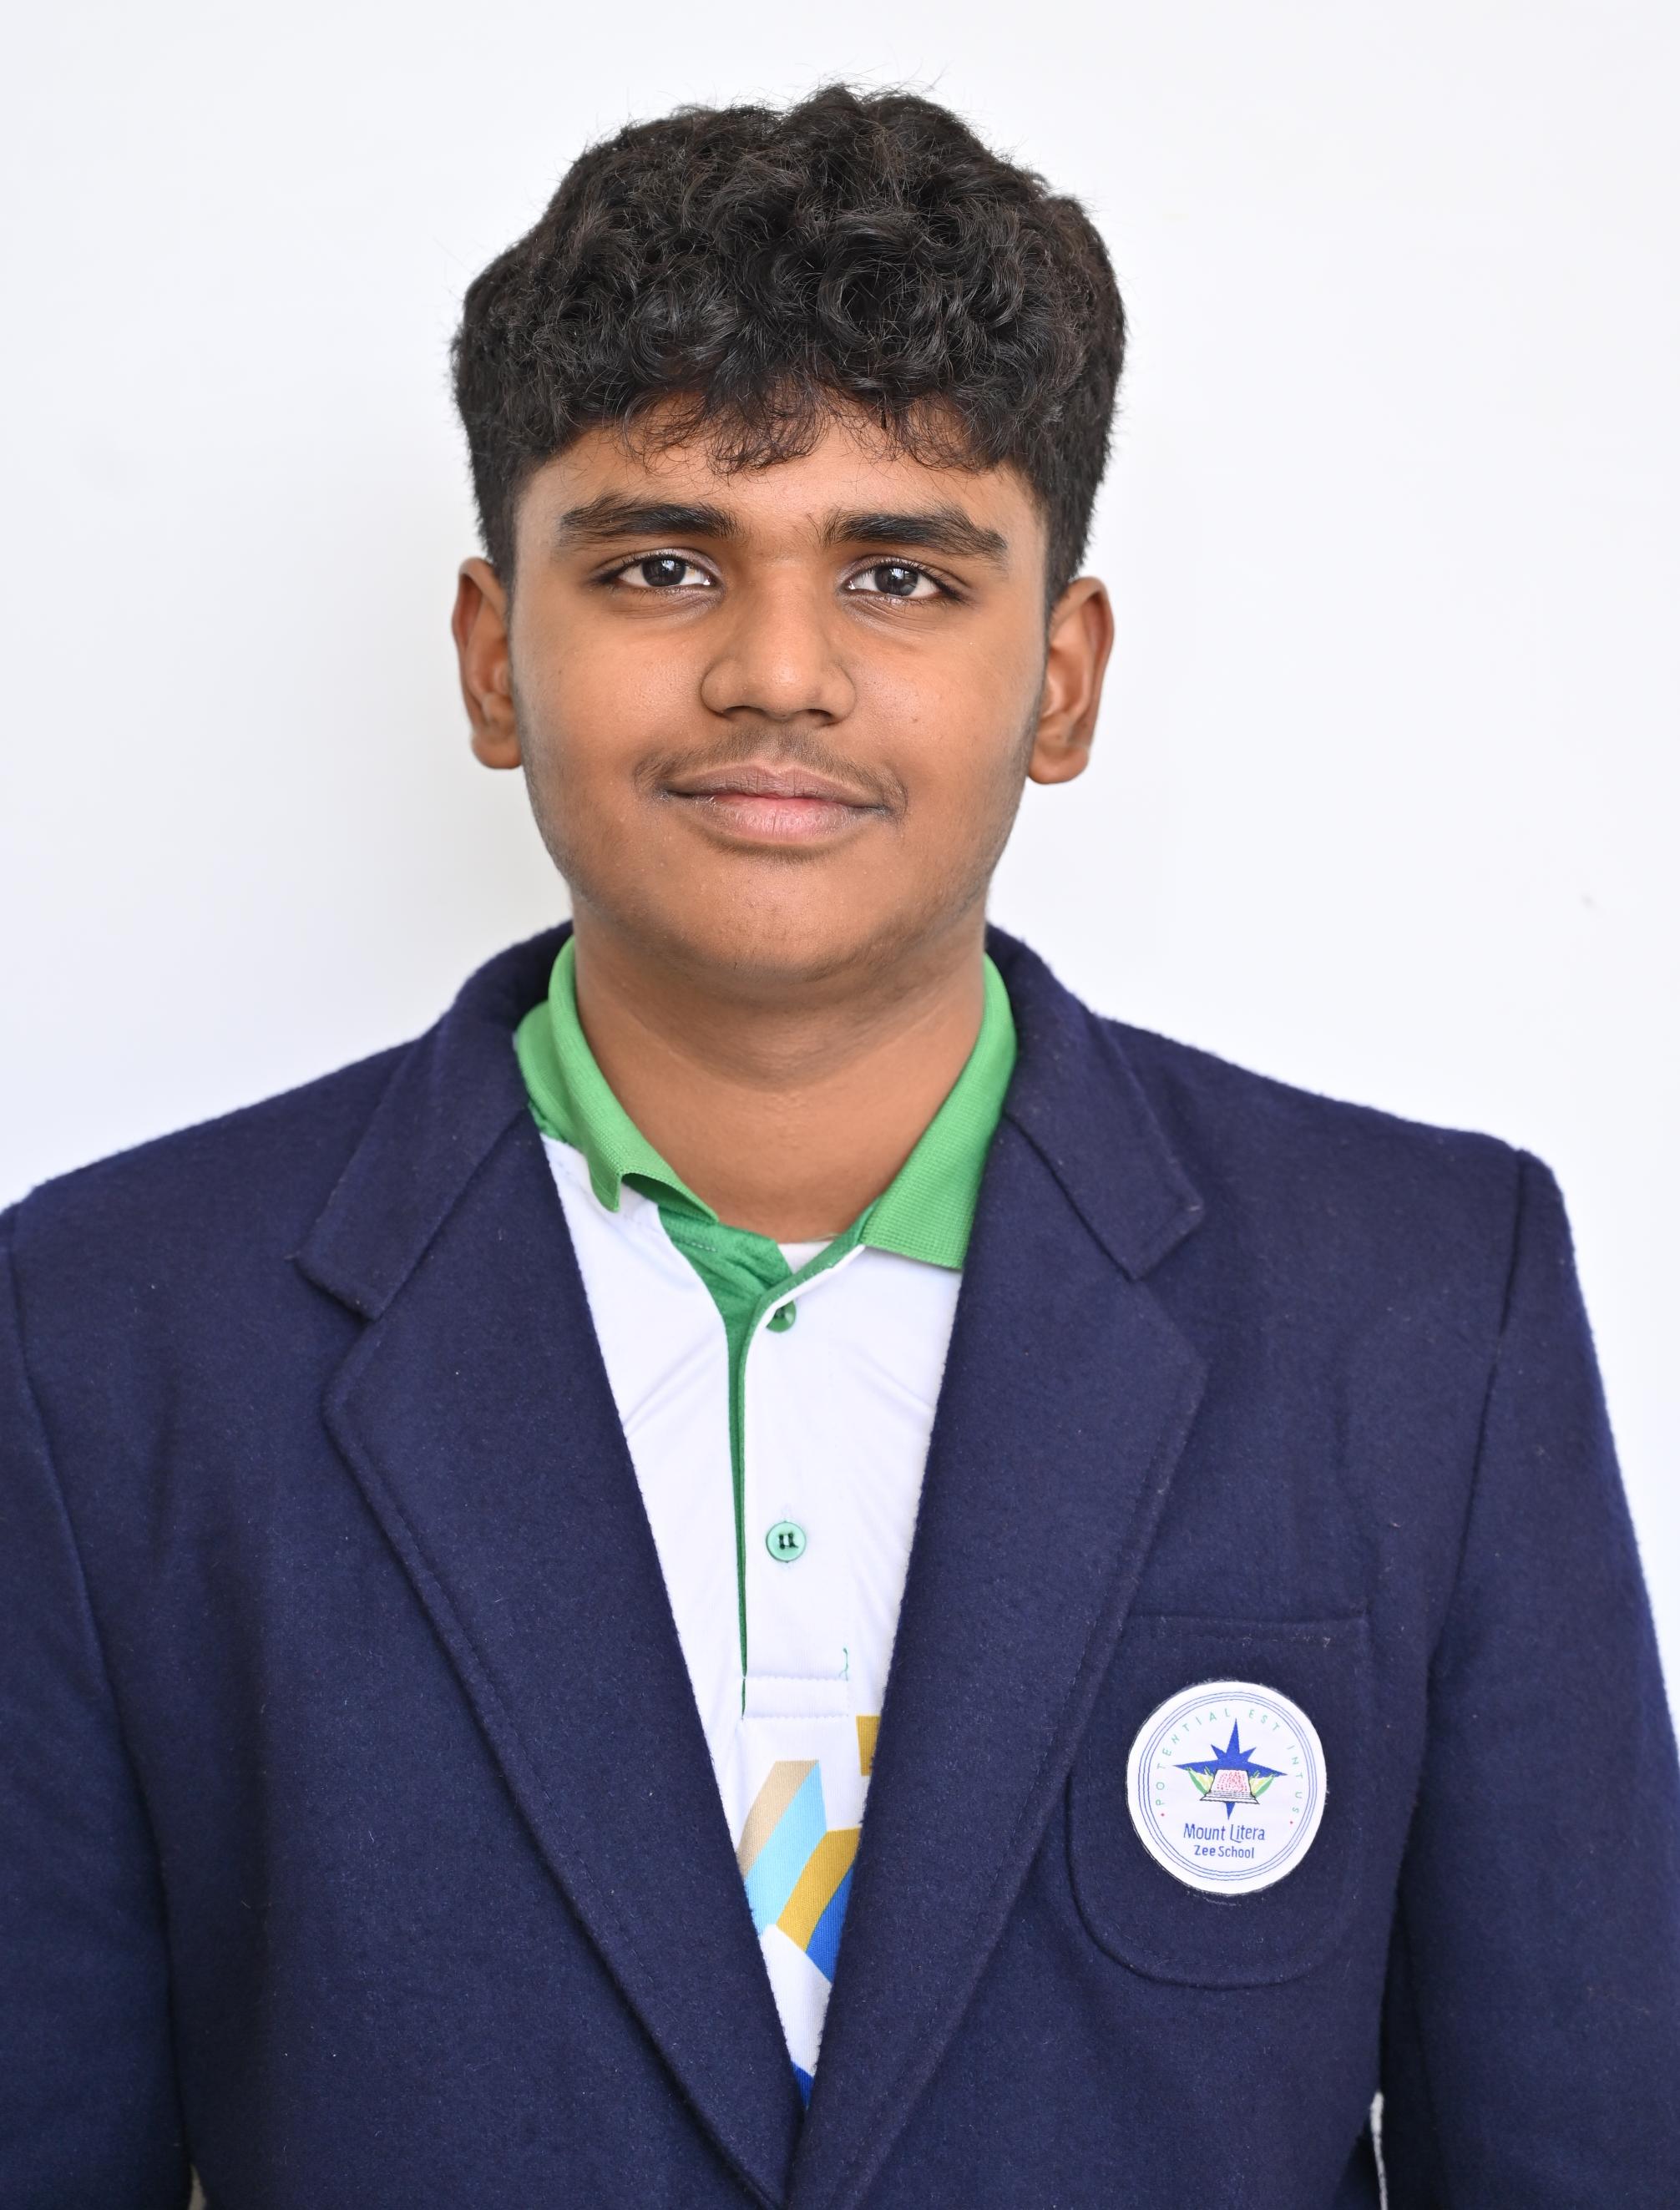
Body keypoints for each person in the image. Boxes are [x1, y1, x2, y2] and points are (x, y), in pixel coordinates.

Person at [2, 82, 1675, 2210]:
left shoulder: (1425, 1303)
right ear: (494, 658)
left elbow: (1580, 2145)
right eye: (658, 563)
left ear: (1060, 679)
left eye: (898, 573)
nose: (775, 671)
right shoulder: (106, 1337)